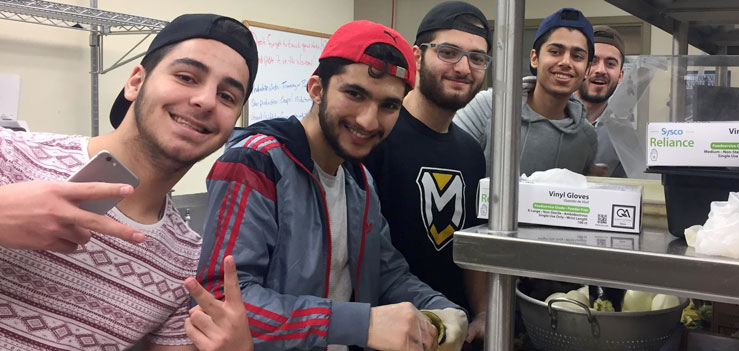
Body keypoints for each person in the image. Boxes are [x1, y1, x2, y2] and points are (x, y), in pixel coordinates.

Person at [197, 20, 468, 351]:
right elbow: (223, 302)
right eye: (354, 94)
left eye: (389, 105)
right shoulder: (255, 164)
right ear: (316, 89)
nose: (369, 120)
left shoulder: (360, 181)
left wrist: (441, 307)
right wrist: (360, 325)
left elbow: (386, 274)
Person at [0, 13, 258, 350]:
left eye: (227, 97)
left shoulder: (186, 262)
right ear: (135, 82)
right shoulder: (11, 155)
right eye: (186, 77)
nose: (206, 101)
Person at [363, 1, 489, 346]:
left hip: (451, 331)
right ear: (417, 56)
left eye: (477, 58)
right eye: (449, 52)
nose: (464, 67)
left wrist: (480, 314)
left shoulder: (471, 151)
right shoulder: (374, 135)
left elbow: (473, 246)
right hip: (384, 333)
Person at [454, 8, 598, 177]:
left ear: (587, 69)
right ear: (534, 58)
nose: (565, 62)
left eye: (577, 56)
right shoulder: (488, 107)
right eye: (555, 52)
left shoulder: (587, 138)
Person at [576, 25, 627, 177]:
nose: (601, 70)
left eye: (610, 64)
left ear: (620, 76)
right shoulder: (547, 122)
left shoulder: (624, 138)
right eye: (593, 61)